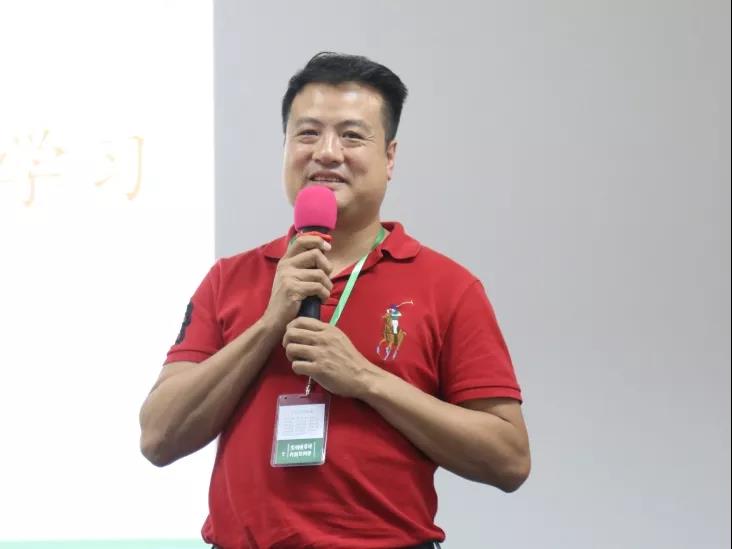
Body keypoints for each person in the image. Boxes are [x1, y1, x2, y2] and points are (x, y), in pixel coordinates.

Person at [139, 52, 530, 549]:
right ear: (284, 148)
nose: (326, 152)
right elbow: (158, 437)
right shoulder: (227, 279)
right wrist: (268, 324)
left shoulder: (449, 287)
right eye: (307, 134)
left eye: (351, 135)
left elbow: (509, 459)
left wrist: (365, 379)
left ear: (390, 157)